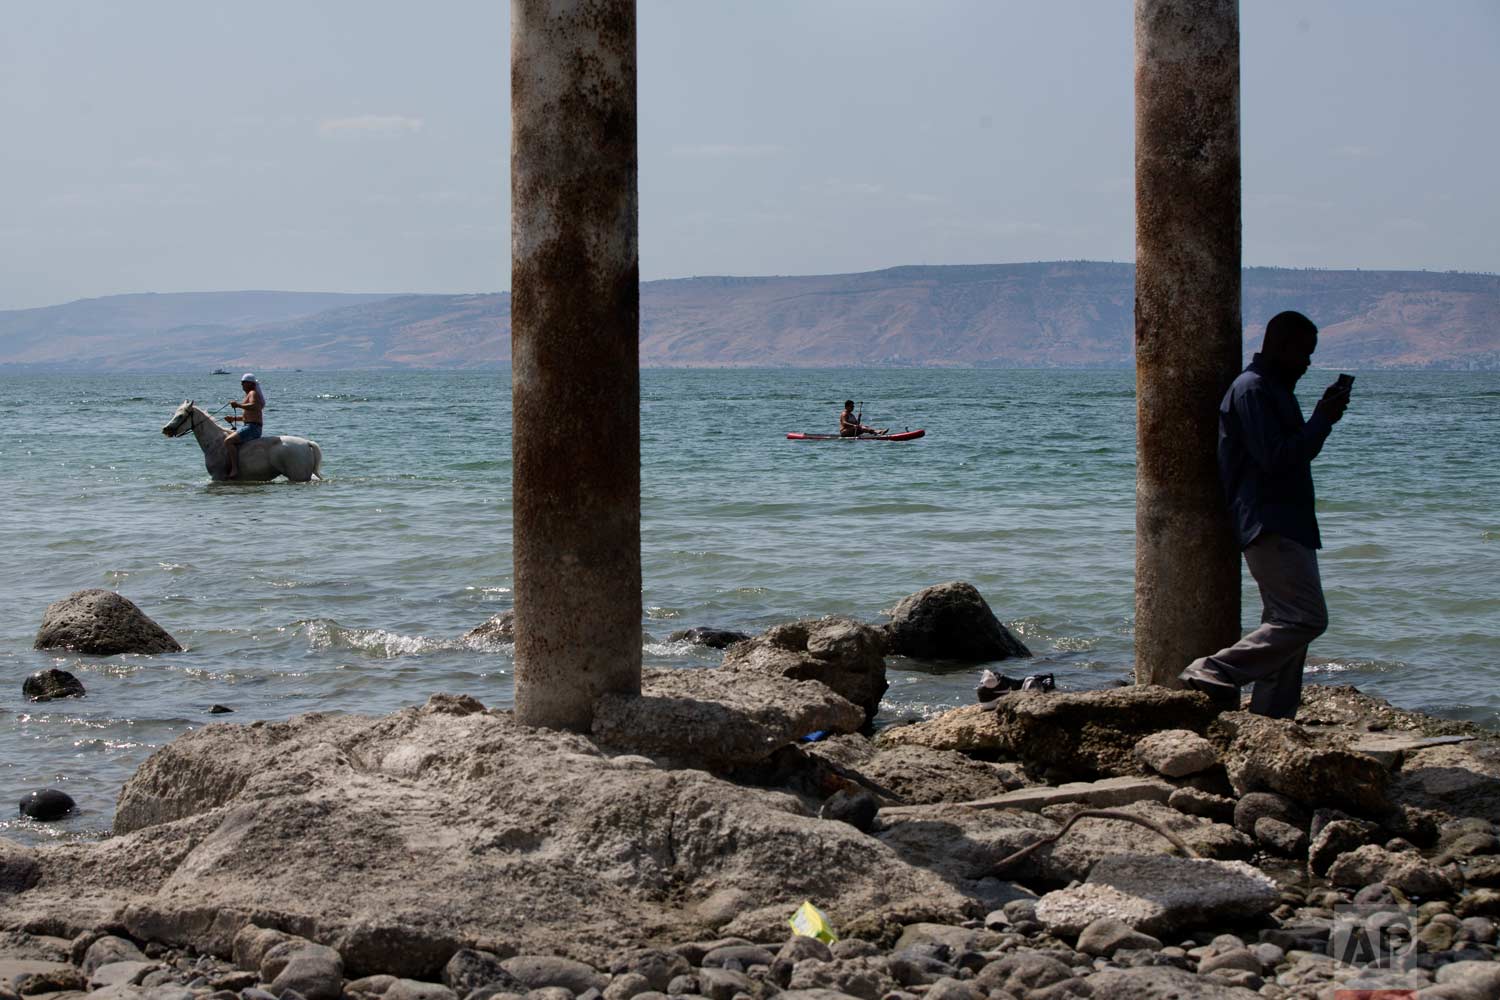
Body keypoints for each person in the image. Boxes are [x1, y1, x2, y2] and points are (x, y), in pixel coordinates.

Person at [1178, 310, 1352, 719]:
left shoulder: (1274, 390)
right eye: (1303, 353)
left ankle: (1271, 721)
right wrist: (1322, 421)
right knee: (1305, 619)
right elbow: (1276, 458)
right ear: (1279, 347)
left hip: (1289, 521)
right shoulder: (1253, 389)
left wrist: (1320, 421)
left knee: (1287, 630)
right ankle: (1214, 668)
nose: (1307, 363)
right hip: (1270, 522)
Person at [225, 373, 266, 479]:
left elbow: (254, 406)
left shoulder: (253, 393)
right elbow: (247, 416)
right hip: (249, 425)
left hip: (253, 428)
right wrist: (233, 419)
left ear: (250, 384)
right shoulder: (249, 394)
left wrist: (238, 405)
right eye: (241, 383)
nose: (241, 385)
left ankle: (235, 469)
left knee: (228, 441)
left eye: (243, 383)